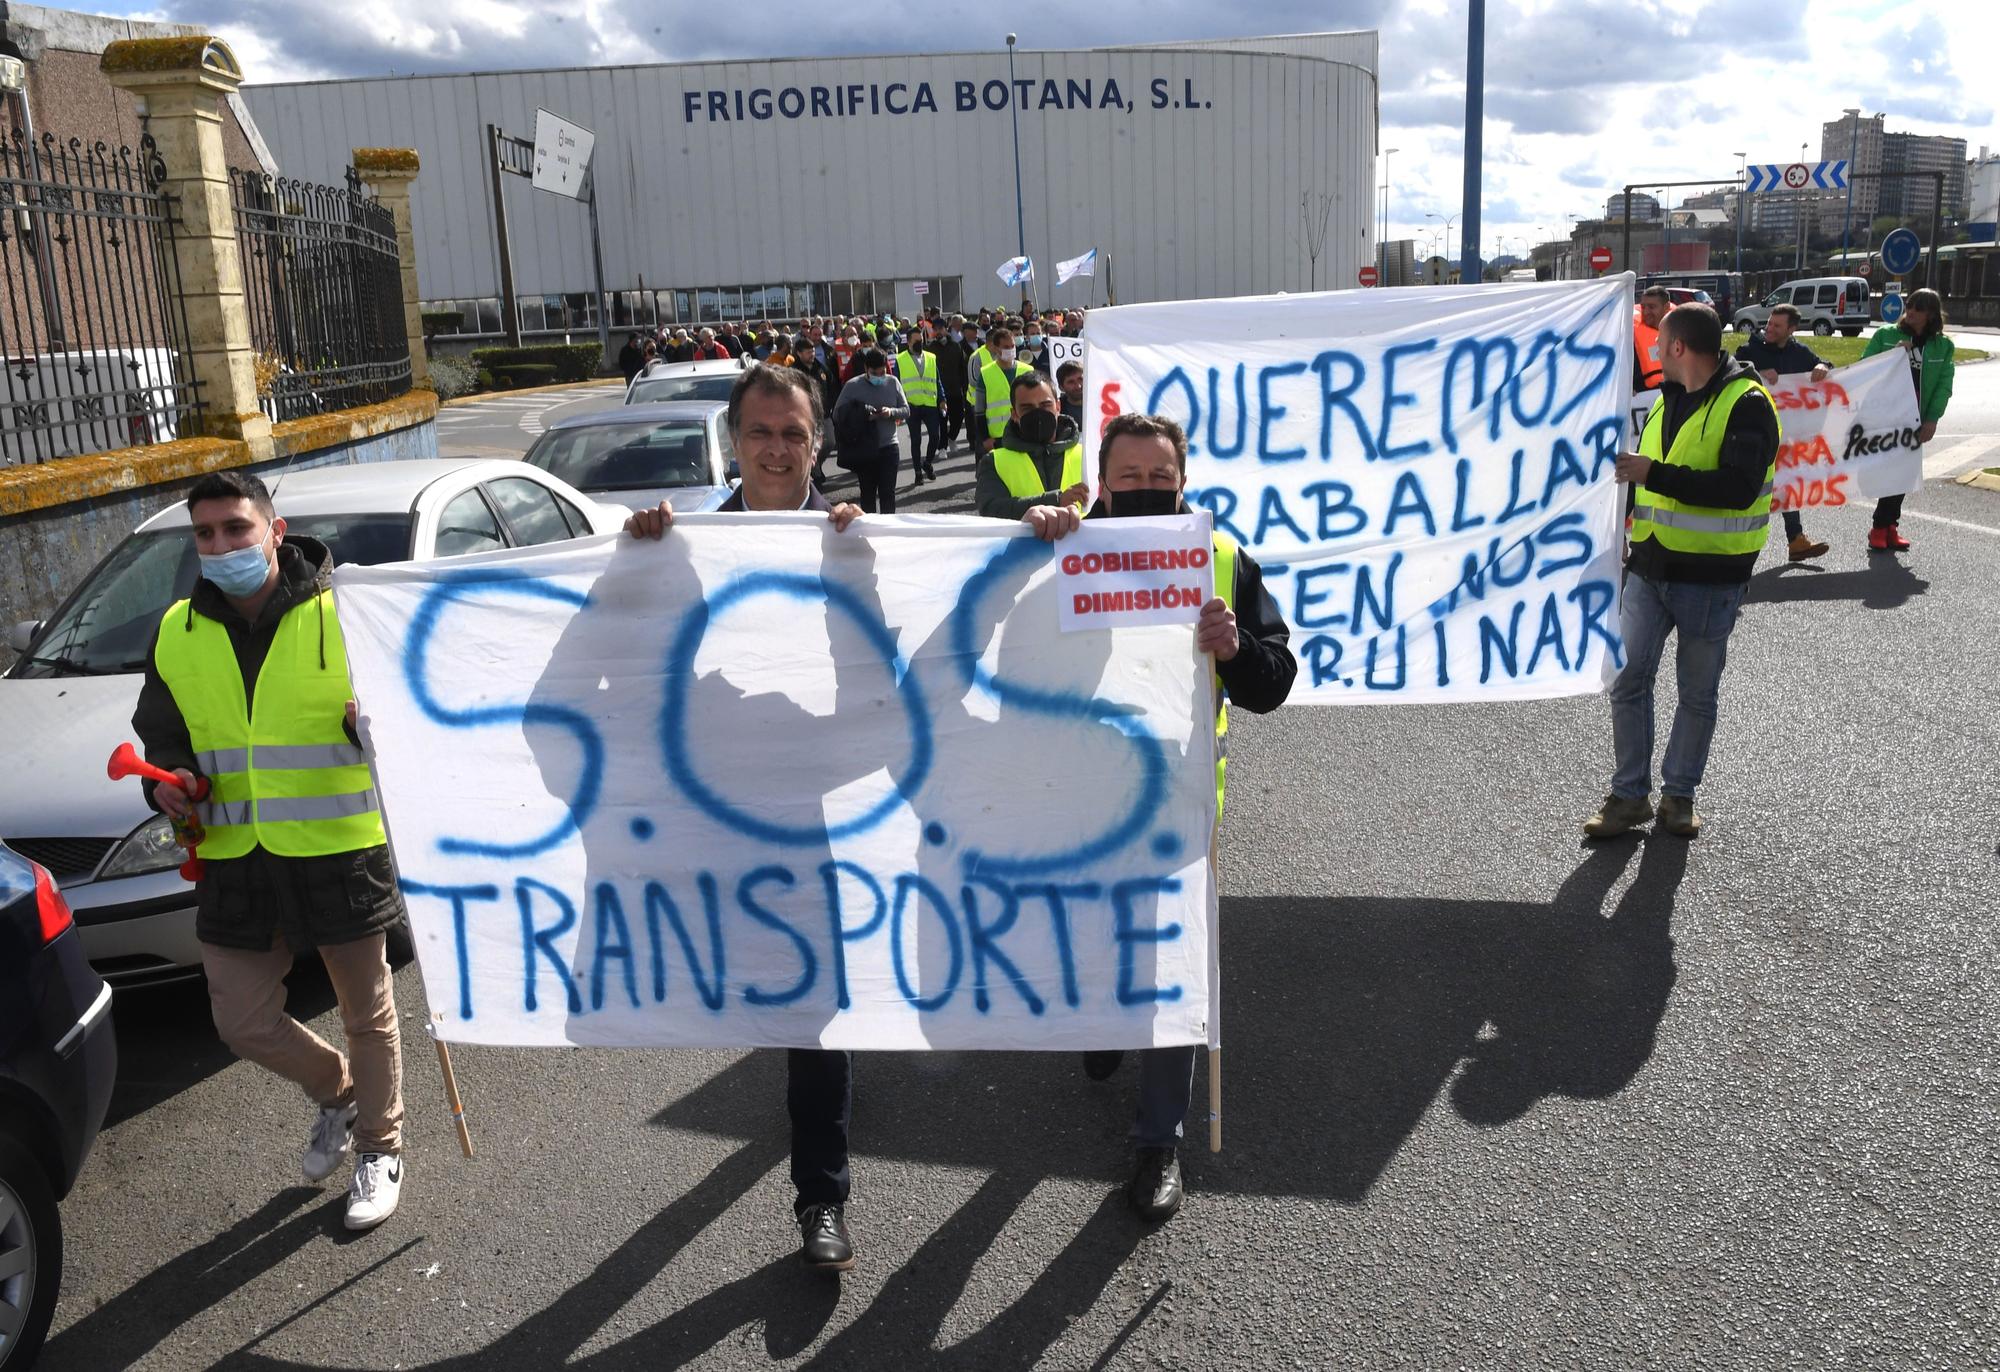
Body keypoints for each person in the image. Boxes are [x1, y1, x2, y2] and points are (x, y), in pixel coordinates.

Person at [1023, 412, 1297, 1221]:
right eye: (1130, 477)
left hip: (1179, 807)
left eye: (1160, 477)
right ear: (1102, 480)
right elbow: (978, 619)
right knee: (1094, 944)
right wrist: (1029, 522)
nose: (1146, 490)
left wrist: (1236, 648)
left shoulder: (1220, 557)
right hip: (1078, 797)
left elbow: (1273, 682)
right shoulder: (1062, 548)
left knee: (1173, 968)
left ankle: (1158, 1142)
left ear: (1184, 479)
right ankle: (1101, 1024)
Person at [623, 366, 867, 1271]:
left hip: (821, 803)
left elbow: (913, 650)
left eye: (792, 434)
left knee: (812, 1006)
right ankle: (818, 1102)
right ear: (735, 442)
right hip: (714, 806)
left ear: (816, 444)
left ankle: (821, 1198)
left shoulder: (854, 538)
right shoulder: (683, 544)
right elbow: (634, 657)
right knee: (750, 988)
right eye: (760, 432)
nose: (775, 448)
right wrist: (634, 556)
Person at [132, 470, 408, 1232]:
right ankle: (341, 1094)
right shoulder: (176, 631)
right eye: (206, 534)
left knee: (368, 1012)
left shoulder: (346, 614)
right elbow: (165, 735)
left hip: (338, 846)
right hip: (233, 853)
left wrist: (375, 724)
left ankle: (381, 1148)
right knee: (241, 1019)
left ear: (276, 531)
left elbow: (407, 711)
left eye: (236, 528)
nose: (220, 546)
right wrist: (168, 781)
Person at [1586, 303, 1779, 841]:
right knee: (1626, 680)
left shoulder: (1748, 404)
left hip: (1711, 580)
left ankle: (1679, 797)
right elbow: (1643, 481)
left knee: (1696, 693)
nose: (1652, 350)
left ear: (1678, 348)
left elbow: (1738, 489)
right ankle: (1629, 797)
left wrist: (1655, 474)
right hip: (1648, 568)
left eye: (1659, 342)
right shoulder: (1664, 399)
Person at [1860, 287, 1954, 554]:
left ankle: (1890, 527)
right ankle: (1879, 527)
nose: (1911, 312)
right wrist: (1894, 356)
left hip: (1917, 418)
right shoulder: (1887, 336)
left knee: (1903, 474)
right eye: (1910, 306)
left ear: (1931, 314)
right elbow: (1864, 366)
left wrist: (1932, 419)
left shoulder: (1943, 346)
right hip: (1886, 417)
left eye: (1919, 308)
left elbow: (1943, 386)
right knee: (1889, 472)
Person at [1739, 303, 1831, 562]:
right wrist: (1755, 371)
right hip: (1753, 432)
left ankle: (1796, 540)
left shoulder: (1799, 352)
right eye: (1769, 323)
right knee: (1753, 490)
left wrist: (1823, 366)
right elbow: (1731, 367)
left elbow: (1822, 365)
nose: (1769, 328)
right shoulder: (1751, 349)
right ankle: (1739, 549)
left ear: (1791, 329)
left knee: (1786, 482)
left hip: (1785, 434)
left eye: (1777, 326)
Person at [976, 371, 1088, 518]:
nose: (1038, 413)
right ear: (1014, 414)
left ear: (1058, 406)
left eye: (1045, 405)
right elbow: (990, 509)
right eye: (1027, 408)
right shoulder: (994, 462)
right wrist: (1056, 501)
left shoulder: (1087, 456)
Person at [832, 346, 910, 514]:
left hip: (889, 447)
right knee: (867, 495)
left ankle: (888, 532)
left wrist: (891, 412)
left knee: (888, 494)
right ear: (866, 369)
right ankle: (868, 531)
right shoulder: (853, 385)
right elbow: (838, 414)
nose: (879, 377)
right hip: (865, 448)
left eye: (882, 372)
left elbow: (906, 410)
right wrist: (862, 415)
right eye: (875, 373)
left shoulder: (892, 382)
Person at [967, 324, 1036, 455]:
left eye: (1012, 346)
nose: (1010, 350)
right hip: (997, 437)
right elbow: (979, 410)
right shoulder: (986, 373)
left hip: (1024, 434)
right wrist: (985, 438)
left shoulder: (1027, 370)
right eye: (1005, 347)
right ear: (996, 349)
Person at [896, 331, 943, 484]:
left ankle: (927, 463)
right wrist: (900, 404)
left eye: (921, 340)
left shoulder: (931, 357)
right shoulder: (900, 359)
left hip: (930, 403)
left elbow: (937, 380)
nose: (919, 343)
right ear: (908, 342)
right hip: (912, 405)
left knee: (935, 436)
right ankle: (917, 472)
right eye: (916, 341)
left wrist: (942, 399)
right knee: (916, 440)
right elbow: (897, 384)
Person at [933, 314, 972, 453]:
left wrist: (965, 386)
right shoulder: (930, 348)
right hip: (939, 392)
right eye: (935, 329)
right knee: (942, 421)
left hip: (956, 389)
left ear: (945, 329)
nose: (938, 332)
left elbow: (963, 367)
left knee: (958, 418)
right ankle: (942, 447)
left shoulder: (956, 346)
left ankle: (952, 438)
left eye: (940, 328)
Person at [1633, 285, 1670, 390]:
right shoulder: (1631, 339)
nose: (1646, 312)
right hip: (1643, 399)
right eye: (1643, 307)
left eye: (1652, 307)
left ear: (1666, 307)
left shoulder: (1681, 335)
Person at [1057, 359, 1086, 431]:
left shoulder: (1100, 406)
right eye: (1071, 382)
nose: (1078, 386)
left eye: (1080, 379)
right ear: (1061, 387)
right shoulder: (1056, 411)